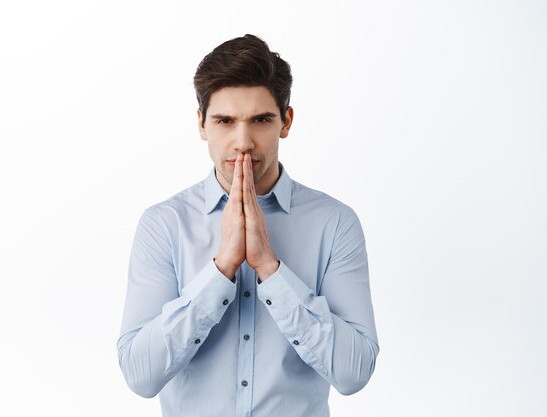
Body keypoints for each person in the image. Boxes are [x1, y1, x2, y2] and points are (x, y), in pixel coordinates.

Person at [117, 34, 379, 417]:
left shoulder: (334, 223)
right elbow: (141, 376)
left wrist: (270, 270)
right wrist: (221, 268)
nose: (243, 141)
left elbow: (354, 374)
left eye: (260, 120)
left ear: (285, 122)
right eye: (225, 121)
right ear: (202, 124)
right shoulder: (164, 224)